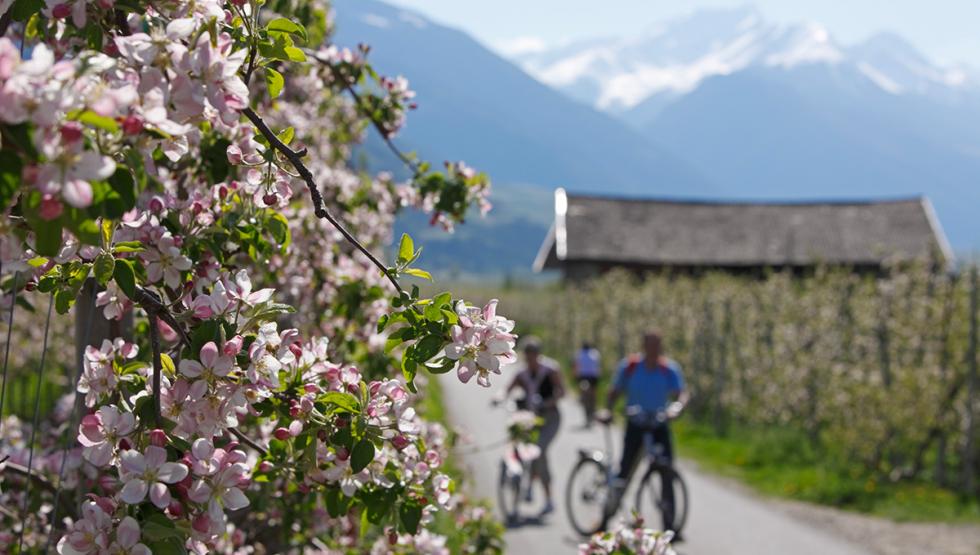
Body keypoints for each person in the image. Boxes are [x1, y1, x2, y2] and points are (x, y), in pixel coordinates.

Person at [597, 330, 689, 532]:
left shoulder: (668, 369)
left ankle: (670, 524)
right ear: (643, 346)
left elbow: (681, 393)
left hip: (659, 424)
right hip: (636, 424)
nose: (653, 349)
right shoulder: (630, 367)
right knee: (625, 471)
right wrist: (608, 410)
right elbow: (615, 391)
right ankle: (606, 517)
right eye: (650, 345)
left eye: (657, 345)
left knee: (666, 472)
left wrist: (677, 407)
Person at [502, 337, 565, 516]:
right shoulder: (521, 373)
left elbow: (561, 391)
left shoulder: (550, 370)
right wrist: (499, 398)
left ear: (538, 354)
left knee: (539, 450)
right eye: (527, 355)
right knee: (526, 450)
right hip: (530, 419)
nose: (530, 358)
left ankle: (547, 497)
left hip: (550, 418)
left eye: (533, 354)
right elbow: (508, 389)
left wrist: (548, 402)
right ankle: (528, 486)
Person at [573, 342, 601, 427]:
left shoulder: (579, 353)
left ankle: (587, 413)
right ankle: (592, 413)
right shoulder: (595, 353)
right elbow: (598, 366)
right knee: (592, 397)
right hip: (593, 377)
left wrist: (575, 376)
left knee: (584, 396)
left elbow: (576, 366)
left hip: (583, 377)